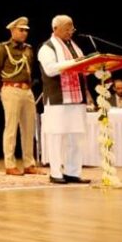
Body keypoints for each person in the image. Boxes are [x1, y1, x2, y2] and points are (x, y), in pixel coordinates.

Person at [37, 15, 92, 184]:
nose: (70, 32)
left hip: (77, 98)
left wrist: (92, 67)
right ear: (55, 29)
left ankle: (72, 172)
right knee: (56, 136)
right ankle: (55, 173)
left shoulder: (75, 48)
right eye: (67, 29)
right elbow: (51, 69)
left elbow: (81, 68)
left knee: (76, 137)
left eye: (72, 28)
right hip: (57, 99)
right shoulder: (47, 48)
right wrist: (74, 64)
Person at [0, 16, 41, 175]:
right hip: (10, 88)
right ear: (12, 30)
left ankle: (29, 163)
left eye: (26, 30)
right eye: (21, 30)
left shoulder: (28, 49)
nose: (24, 33)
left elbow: (30, 70)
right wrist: (2, 90)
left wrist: (29, 86)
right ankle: (10, 164)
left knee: (29, 128)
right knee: (11, 127)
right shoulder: (3, 48)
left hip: (27, 90)